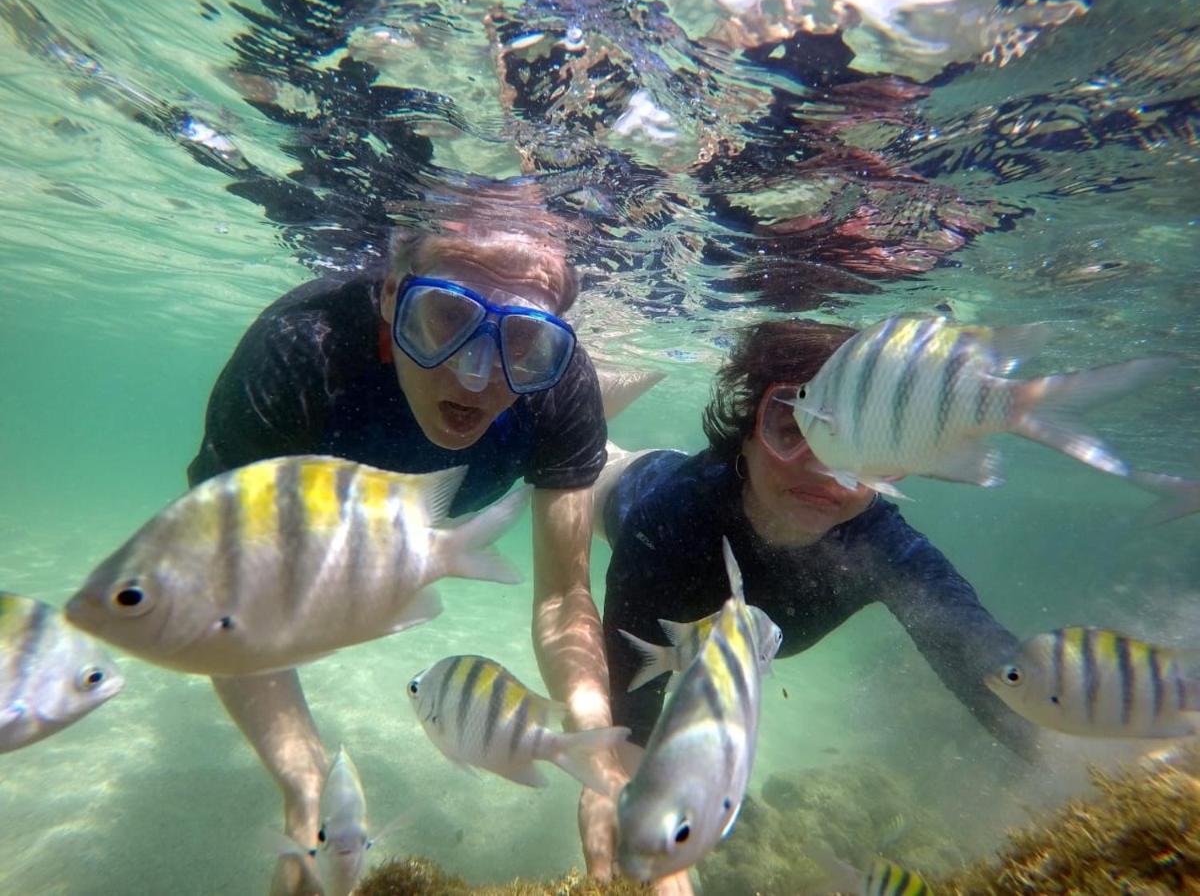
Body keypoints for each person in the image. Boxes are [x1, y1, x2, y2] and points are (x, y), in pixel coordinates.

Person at [188, 191, 625, 894]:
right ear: (392, 298)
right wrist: (307, 790)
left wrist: (595, 754)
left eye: (522, 339)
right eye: (446, 316)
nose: (476, 376)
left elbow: (564, 596)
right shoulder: (299, 354)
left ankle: (600, 446)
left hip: (484, 482)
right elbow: (228, 603)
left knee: (587, 430)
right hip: (341, 501)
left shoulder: (559, 383)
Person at [587, 319, 1040, 889]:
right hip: (632, 484)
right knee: (591, 471)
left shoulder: (879, 545)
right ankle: (590, 423)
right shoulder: (672, 520)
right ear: (749, 429)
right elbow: (630, 700)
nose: (827, 466)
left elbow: (986, 657)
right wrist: (654, 860)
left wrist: (1076, 754)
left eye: (871, 443)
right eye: (793, 423)